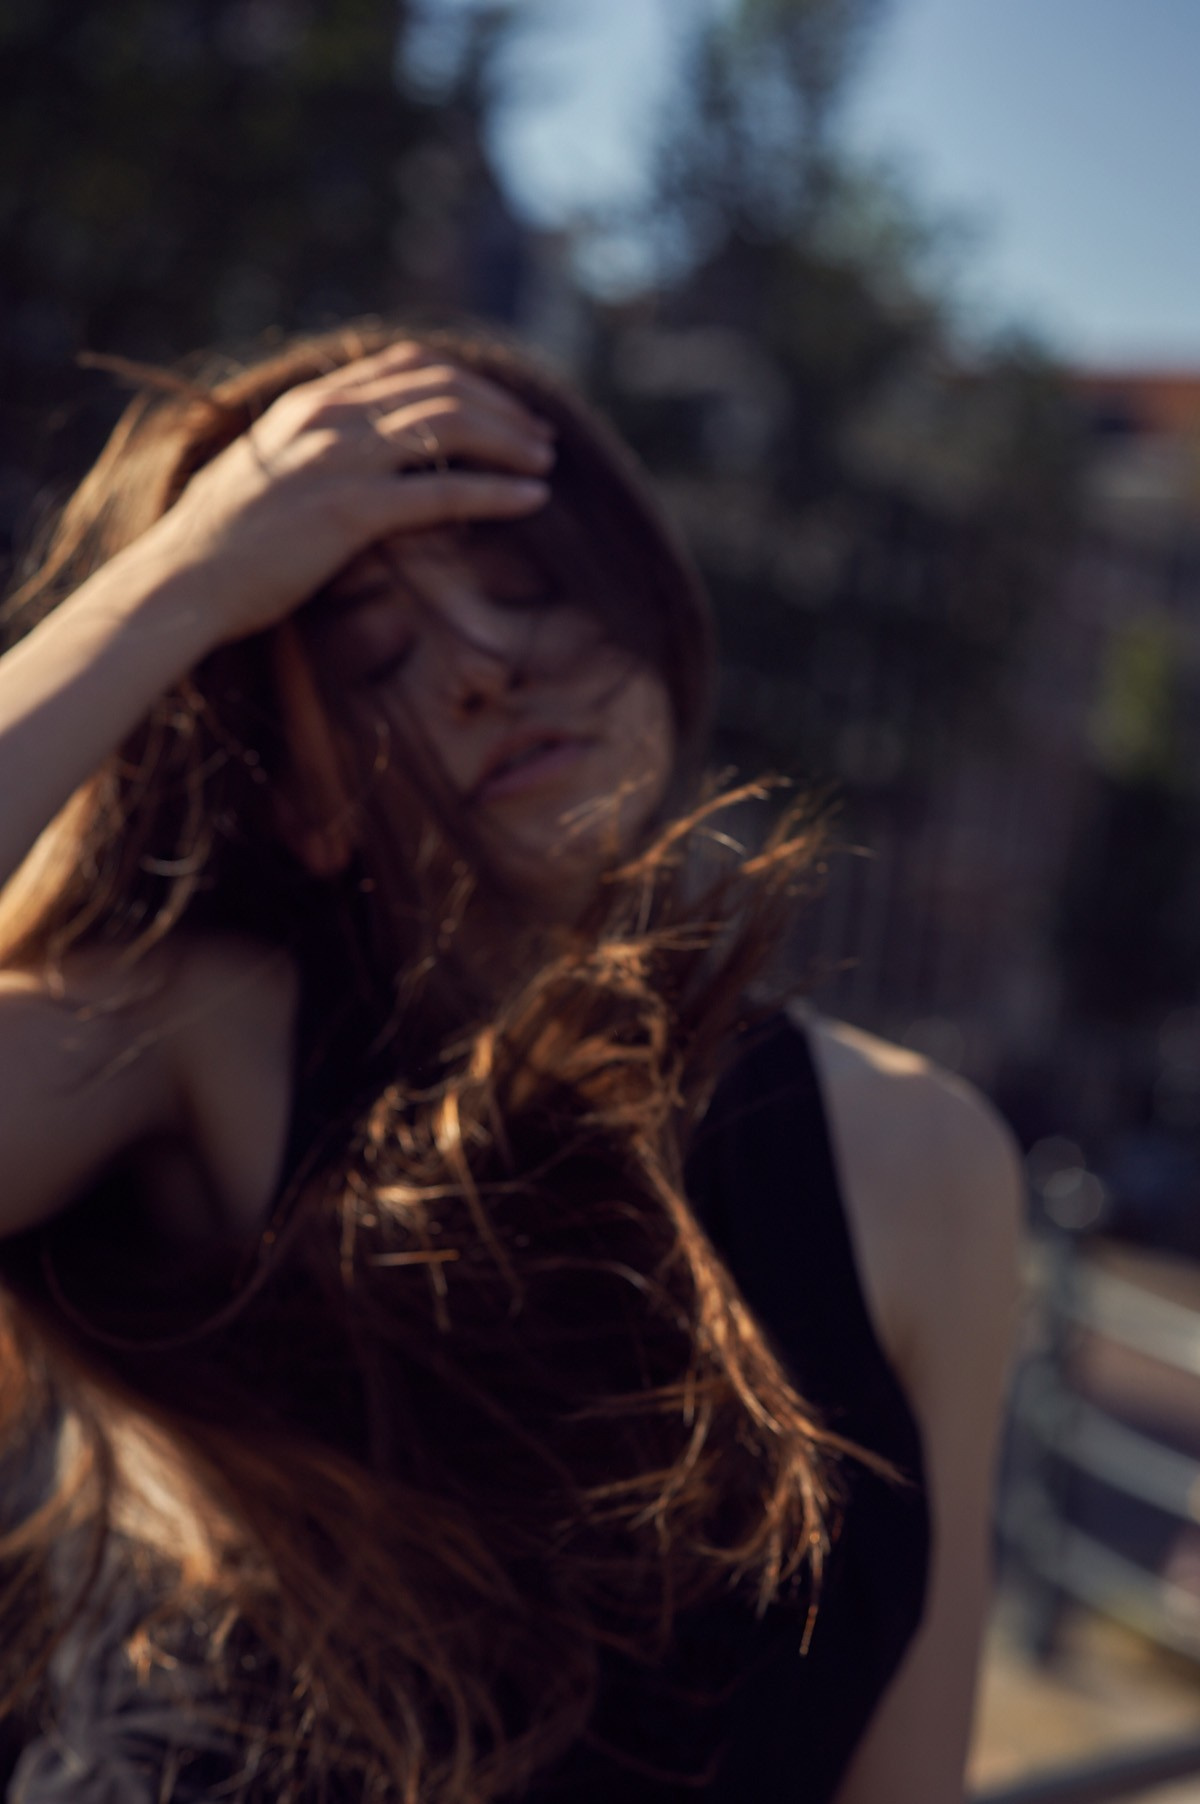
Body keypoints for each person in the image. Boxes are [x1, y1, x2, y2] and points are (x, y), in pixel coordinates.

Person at [0, 323, 1021, 1804]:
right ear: (301, 804)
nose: (486, 662)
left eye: (531, 582)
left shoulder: (921, 1163)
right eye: (375, 652)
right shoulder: (200, 1046)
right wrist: (191, 577)